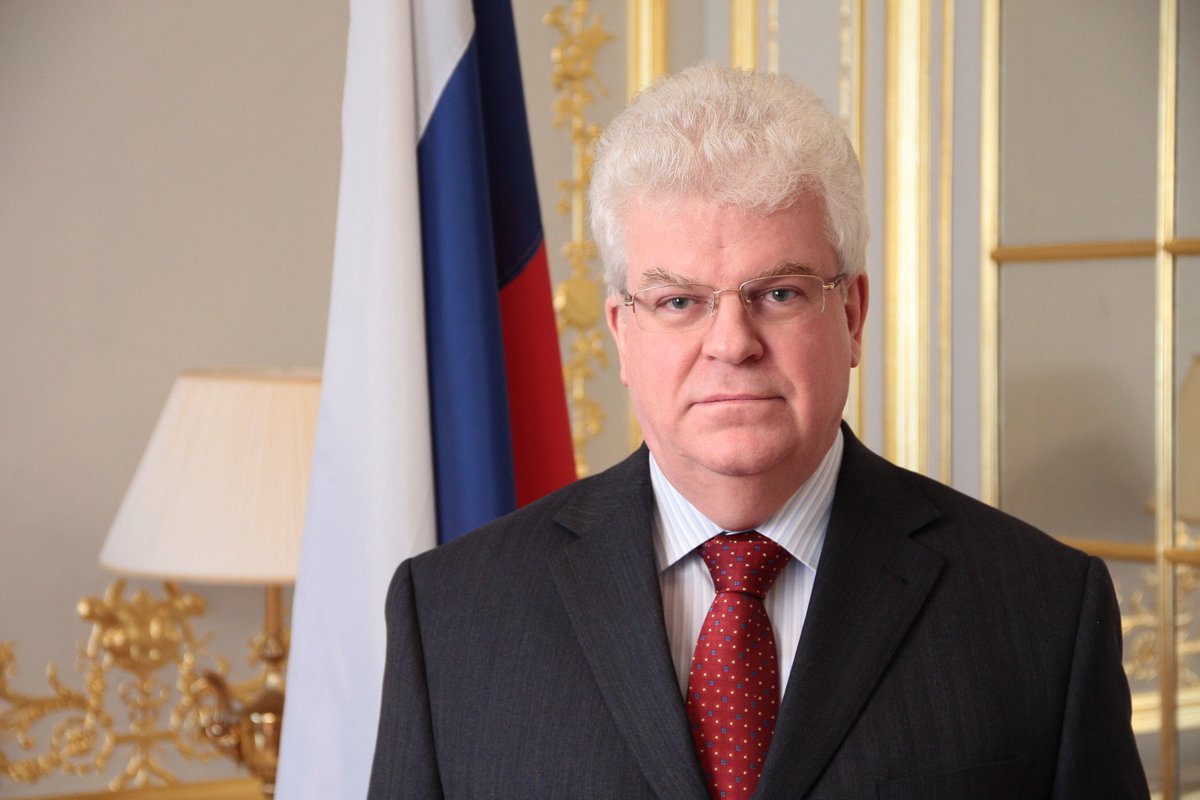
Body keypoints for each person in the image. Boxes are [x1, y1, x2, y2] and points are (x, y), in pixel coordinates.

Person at [367, 64, 1149, 799]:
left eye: (778, 293)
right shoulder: (450, 615)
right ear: (622, 333)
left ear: (851, 316)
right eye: (678, 302)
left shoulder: (1044, 611)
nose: (732, 343)